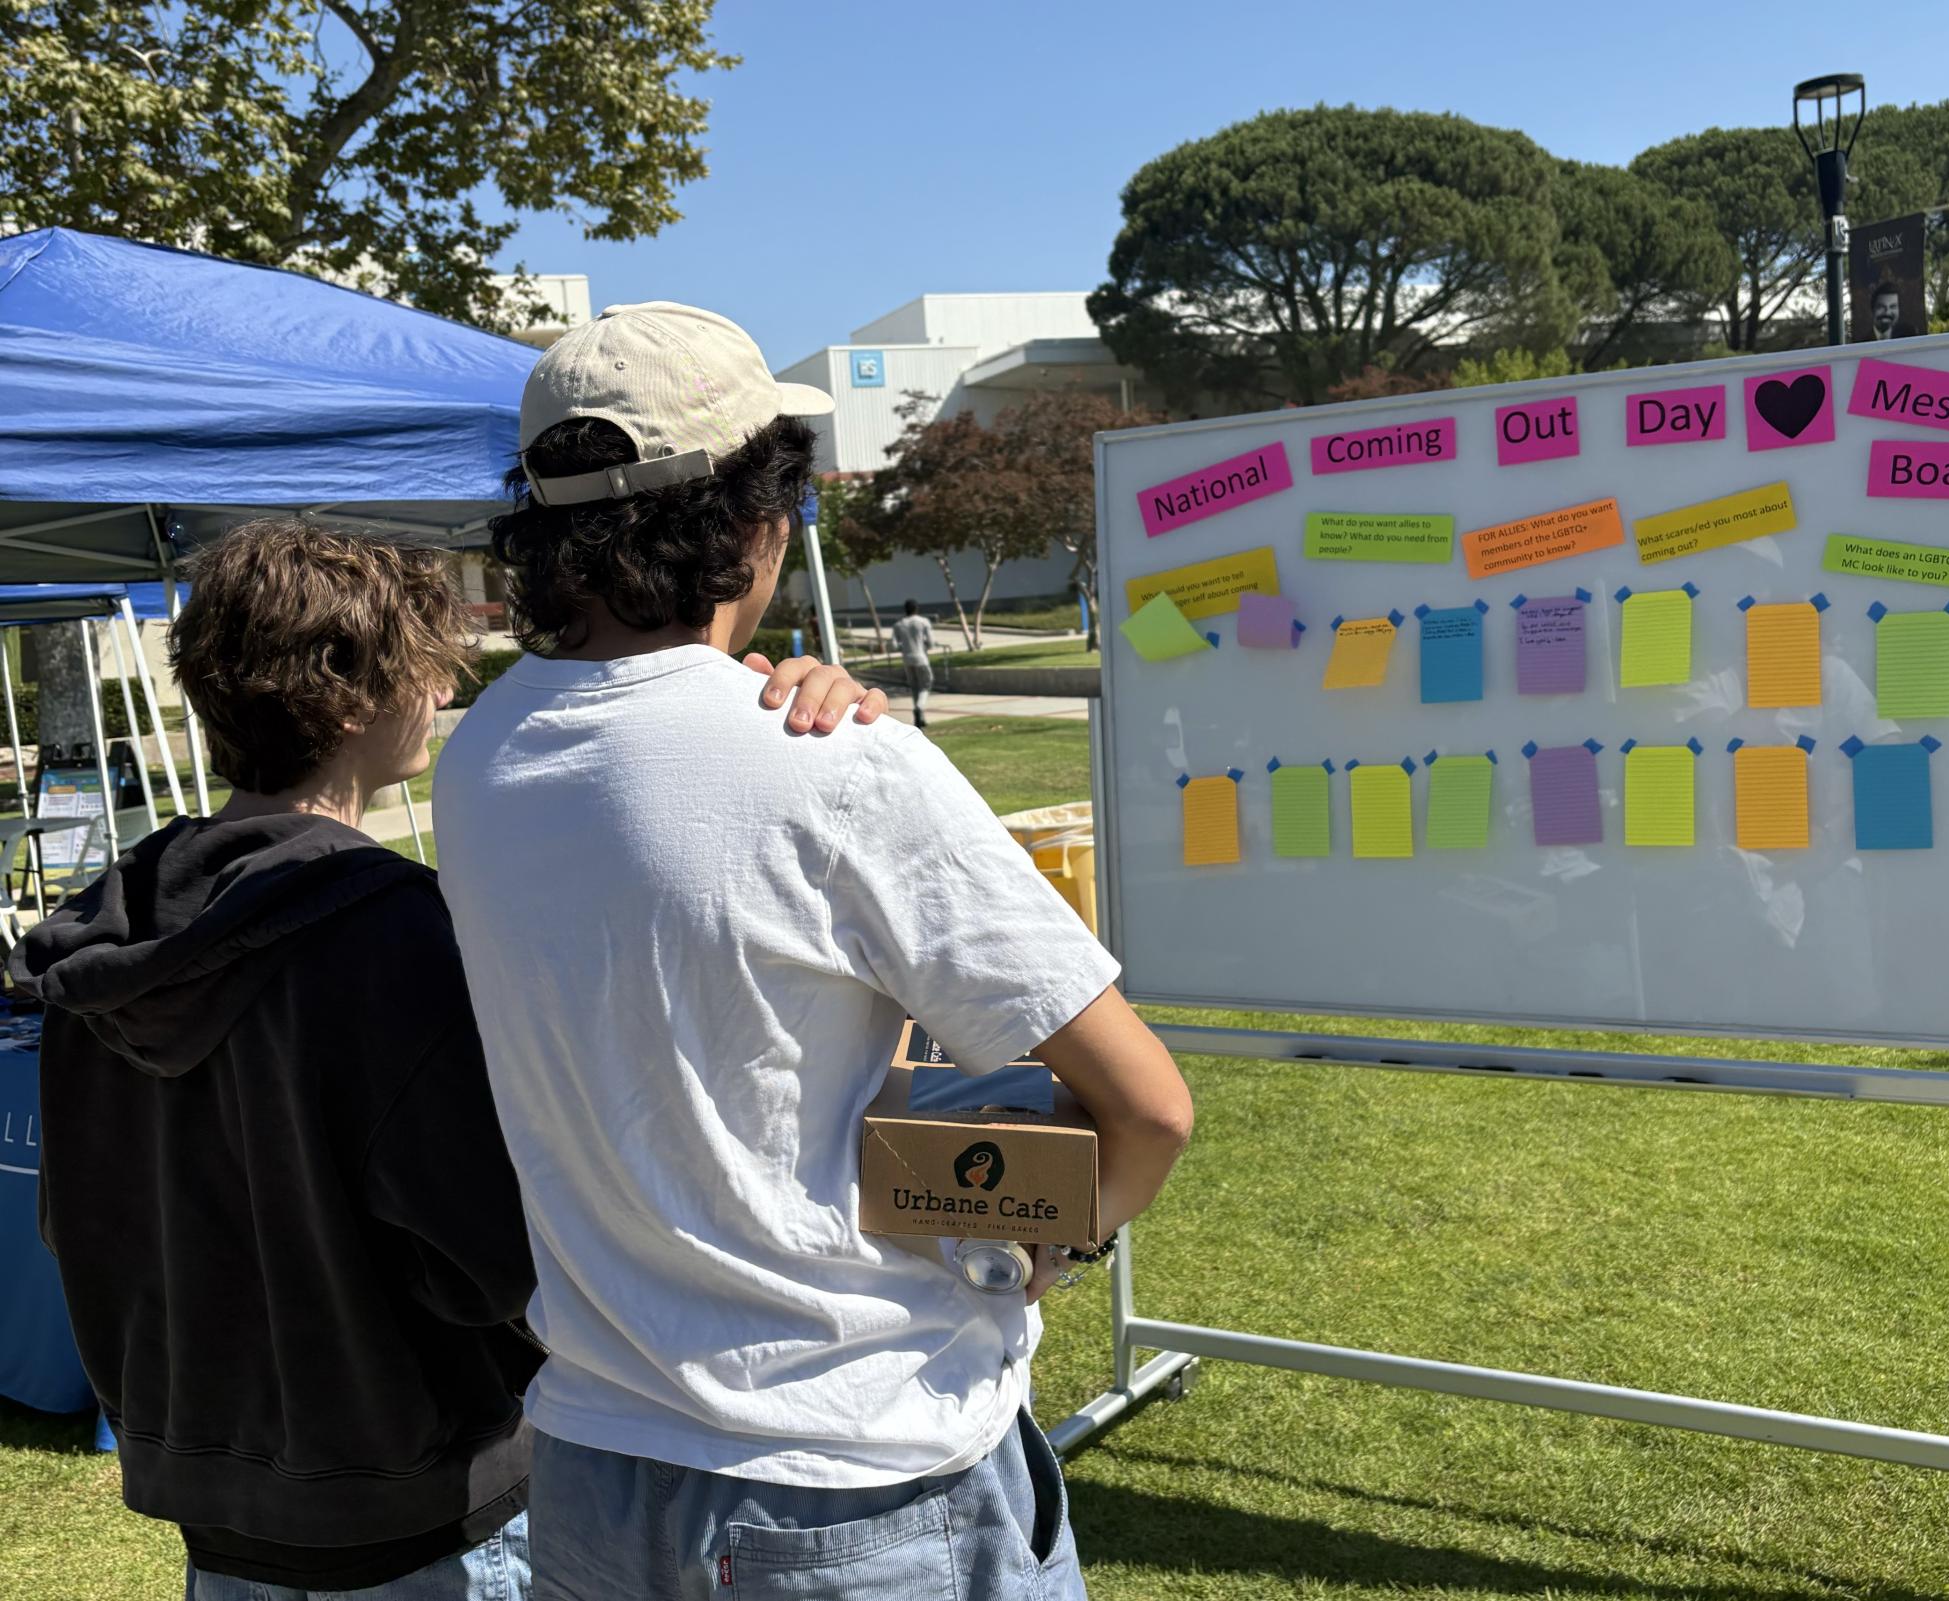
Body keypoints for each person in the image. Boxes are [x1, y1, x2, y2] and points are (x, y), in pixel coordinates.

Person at [433, 300, 1194, 1600]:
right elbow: (1149, 1109)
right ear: (754, 515)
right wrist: (1042, 1256)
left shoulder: (482, 762)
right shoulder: (836, 770)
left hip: (595, 1473)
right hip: (858, 1481)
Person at [12, 519, 884, 1599]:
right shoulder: (384, 939)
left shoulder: (102, 944)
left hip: (217, 1517)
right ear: (348, 698)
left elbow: (76, 1223)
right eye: (420, 670)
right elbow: (504, 1255)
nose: (437, 694)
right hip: (425, 1523)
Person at [893, 597, 936, 728]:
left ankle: (920, 718)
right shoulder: (923, 622)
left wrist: (904, 647)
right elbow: (931, 643)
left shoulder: (899, 624)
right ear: (917, 609)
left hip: (907, 659)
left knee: (915, 687)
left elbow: (894, 645)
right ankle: (919, 707)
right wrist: (925, 646)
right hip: (921, 658)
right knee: (926, 685)